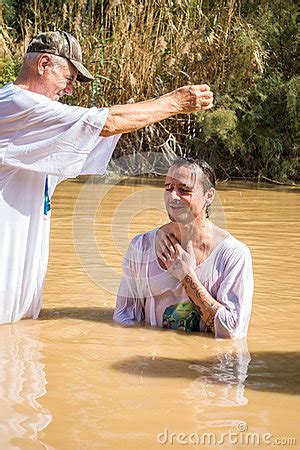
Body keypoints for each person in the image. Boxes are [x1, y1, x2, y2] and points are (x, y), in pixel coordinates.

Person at [0, 30, 213, 325]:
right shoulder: (16, 105)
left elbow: (105, 128)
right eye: (69, 79)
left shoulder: (34, 130)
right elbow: (109, 121)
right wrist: (174, 102)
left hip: (15, 313)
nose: (70, 90)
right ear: (44, 64)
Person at [114, 158, 254, 339]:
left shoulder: (234, 255)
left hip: (203, 366)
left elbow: (232, 332)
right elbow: (124, 317)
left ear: (209, 196)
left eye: (184, 190)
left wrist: (187, 277)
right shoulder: (141, 246)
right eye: (168, 188)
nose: (173, 197)